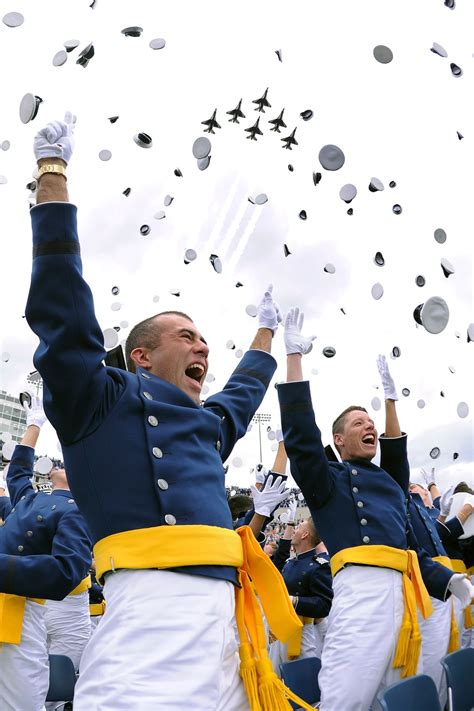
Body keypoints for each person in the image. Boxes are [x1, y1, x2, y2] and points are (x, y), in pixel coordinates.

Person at [25, 114, 311, 711]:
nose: (203, 345)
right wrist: (52, 179)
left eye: (206, 338)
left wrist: (267, 333)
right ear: (143, 358)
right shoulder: (99, 400)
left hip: (228, 621)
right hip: (151, 621)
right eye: (186, 335)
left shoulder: (206, 427)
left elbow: (242, 396)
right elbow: (62, 315)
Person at [276, 308, 474, 711]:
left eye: (372, 423)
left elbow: (406, 541)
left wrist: (389, 400)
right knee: (347, 698)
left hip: (406, 596)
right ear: (338, 439)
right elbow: (300, 439)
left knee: (399, 693)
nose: (369, 427)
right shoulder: (327, 480)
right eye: (357, 423)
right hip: (361, 593)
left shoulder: (388, 483)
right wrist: (294, 359)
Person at [0, 396, 92, 711]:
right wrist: (34, 424)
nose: (61, 461)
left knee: (22, 702)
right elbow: (17, 473)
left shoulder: (79, 511)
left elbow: (68, 571)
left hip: (19, 611)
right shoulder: (32, 497)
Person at [270, 501, 333, 672]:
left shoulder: (318, 565)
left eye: (298, 527)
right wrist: (290, 524)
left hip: (302, 633)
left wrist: (294, 600)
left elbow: (324, 604)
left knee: (301, 682)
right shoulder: (292, 562)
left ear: (305, 534)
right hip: (281, 629)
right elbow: (278, 561)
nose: (295, 531)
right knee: (275, 677)